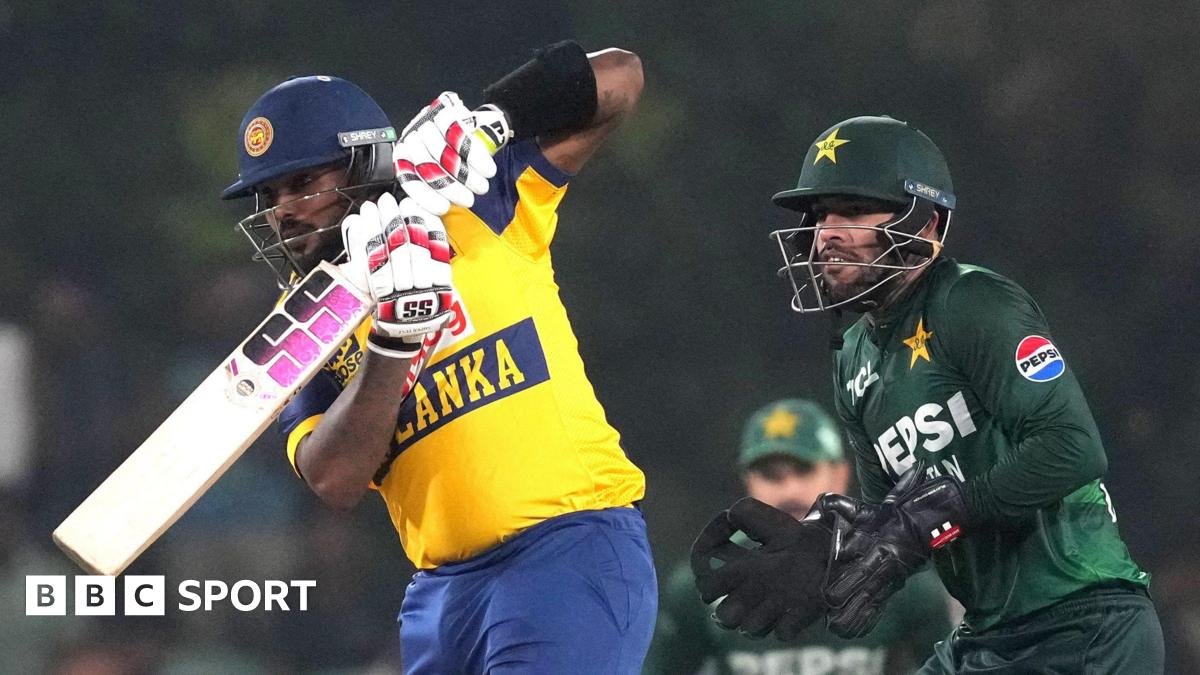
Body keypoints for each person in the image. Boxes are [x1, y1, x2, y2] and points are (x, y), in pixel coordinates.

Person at [221, 41, 655, 673]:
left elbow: (621, 77)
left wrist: (497, 117)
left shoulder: (470, 199)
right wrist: (394, 341)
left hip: (567, 549)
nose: (283, 212)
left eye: (303, 183)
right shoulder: (302, 320)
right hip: (439, 594)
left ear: (365, 160)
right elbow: (334, 479)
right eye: (269, 195)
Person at [690, 116, 1164, 673]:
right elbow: (894, 518)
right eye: (819, 215)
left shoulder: (973, 303)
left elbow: (1073, 449)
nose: (826, 234)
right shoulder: (852, 359)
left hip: (1082, 624)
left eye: (852, 210)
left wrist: (939, 514)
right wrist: (834, 551)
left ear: (927, 222)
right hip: (990, 636)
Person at [647, 399, 951, 674]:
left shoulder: (902, 582)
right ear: (748, 481)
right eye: (771, 475)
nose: (789, 490)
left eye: (804, 470)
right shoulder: (704, 586)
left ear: (839, 474)